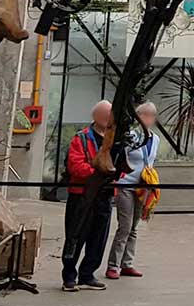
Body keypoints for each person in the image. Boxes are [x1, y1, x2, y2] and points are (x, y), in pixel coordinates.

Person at [61, 100, 116, 292]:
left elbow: (120, 166)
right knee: (75, 235)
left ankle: (87, 274)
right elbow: (75, 166)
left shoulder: (115, 139)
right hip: (82, 195)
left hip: (105, 195)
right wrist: (99, 171)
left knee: (98, 237)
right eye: (108, 114)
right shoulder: (81, 138)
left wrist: (113, 174)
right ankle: (69, 276)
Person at [105, 101, 159, 279]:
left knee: (134, 227)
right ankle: (113, 265)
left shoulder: (155, 139)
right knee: (125, 226)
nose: (149, 119)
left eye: (152, 115)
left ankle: (127, 263)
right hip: (126, 185)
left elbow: (150, 161)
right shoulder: (131, 137)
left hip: (143, 187)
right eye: (146, 115)